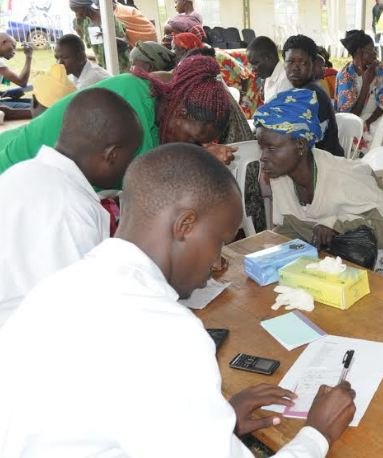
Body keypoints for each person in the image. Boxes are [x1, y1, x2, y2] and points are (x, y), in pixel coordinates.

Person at [0, 143, 357, 456]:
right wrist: (318, 433)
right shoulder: (167, 333)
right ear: (185, 225)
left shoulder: (57, 287)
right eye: (219, 241)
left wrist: (217, 422)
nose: (219, 261)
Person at [0, 88, 141, 328]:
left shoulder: (21, 173)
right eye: (129, 159)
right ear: (111, 155)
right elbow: (78, 315)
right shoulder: (73, 210)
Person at [256, 88, 383, 278]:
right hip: (344, 244)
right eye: (261, 148)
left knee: (342, 284)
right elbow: (292, 227)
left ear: (300, 145)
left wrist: (335, 225)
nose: (263, 157)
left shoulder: (342, 176)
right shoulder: (281, 176)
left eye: (271, 148)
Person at [0, 55, 234, 174]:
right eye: (195, 141)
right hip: (12, 170)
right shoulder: (132, 104)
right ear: (181, 112)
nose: (195, 148)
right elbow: (146, 182)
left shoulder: (161, 106)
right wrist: (200, 161)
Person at [336, 30, 383, 155]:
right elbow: (350, 117)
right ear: (359, 53)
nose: (375, 54)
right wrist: (365, 84)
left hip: (376, 116)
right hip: (355, 121)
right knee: (366, 135)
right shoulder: (346, 76)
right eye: (370, 50)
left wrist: (370, 120)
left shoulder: (378, 68)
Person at [282, 35, 344, 157]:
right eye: (290, 61)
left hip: (324, 166)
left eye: (302, 62)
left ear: (313, 64)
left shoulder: (311, 95)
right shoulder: (303, 91)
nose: (295, 67)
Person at [70, 0, 130, 73]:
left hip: (121, 66)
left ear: (84, 7)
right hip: (103, 68)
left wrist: (107, 37)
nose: (76, 14)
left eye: (76, 11)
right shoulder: (85, 22)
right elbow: (79, 35)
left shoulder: (107, 16)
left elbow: (125, 42)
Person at [247, 36, 293, 104]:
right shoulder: (269, 76)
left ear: (269, 58)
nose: (252, 70)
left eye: (255, 63)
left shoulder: (285, 80)